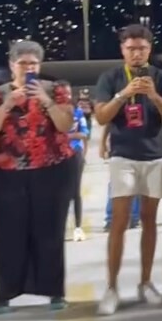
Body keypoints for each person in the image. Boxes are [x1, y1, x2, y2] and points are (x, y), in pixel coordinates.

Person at [93, 24, 162, 316]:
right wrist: (123, 94)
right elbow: (101, 116)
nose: (136, 54)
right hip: (123, 156)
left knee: (149, 220)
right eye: (130, 49)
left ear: (149, 49)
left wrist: (154, 95)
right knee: (119, 221)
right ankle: (111, 287)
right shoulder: (111, 78)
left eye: (141, 48)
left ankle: (146, 282)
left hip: (155, 156)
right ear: (122, 50)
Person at [0, 40, 74, 314]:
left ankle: (55, 292)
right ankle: (4, 294)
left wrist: (46, 101)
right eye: (22, 63)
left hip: (51, 170)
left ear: (40, 65)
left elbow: (65, 125)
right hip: (5, 173)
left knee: (50, 231)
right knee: (6, 233)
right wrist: (7, 104)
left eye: (33, 64)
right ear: (11, 65)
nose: (28, 68)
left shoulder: (56, 90)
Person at [100, 129, 140, 232]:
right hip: (120, 146)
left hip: (142, 145)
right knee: (116, 183)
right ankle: (112, 218)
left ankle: (133, 216)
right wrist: (103, 143)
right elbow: (107, 123)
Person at [68, 101, 90, 241]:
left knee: (75, 191)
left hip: (75, 152)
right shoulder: (52, 110)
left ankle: (78, 227)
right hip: (56, 155)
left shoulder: (78, 112)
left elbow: (84, 133)